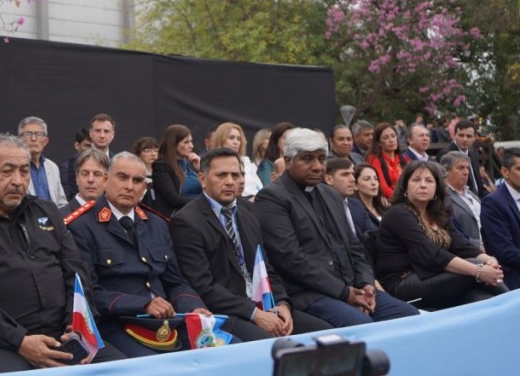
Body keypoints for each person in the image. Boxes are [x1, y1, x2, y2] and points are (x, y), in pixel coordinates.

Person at [0, 134, 124, 374]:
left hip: (63, 337)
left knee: (125, 370)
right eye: (7, 171)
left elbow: (76, 273)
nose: (18, 181)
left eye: (24, 172)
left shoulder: (46, 211)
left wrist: (74, 322)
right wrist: (19, 341)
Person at [254, 128, 418, 328]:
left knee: (410, 316)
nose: (317, 166)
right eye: (307, 159)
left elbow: (354, 245)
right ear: (288, 161)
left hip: (351, 288)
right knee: (362, 326)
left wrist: (366, 284)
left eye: (321, 159)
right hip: (310, 294)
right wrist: (344, 293)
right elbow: (290, 257)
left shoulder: (330, 194)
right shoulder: (272, 198)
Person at [169, 148, 331, 342]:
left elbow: (266, 268)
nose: (230, 181)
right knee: (276, 346)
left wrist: (282, 303)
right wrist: (255, 313)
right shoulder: (186, 221)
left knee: (325, 336)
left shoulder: (248, 212)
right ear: (202, 179)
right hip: (227, 312)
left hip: (265, 305)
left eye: (235, 175)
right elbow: (204, 286)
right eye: (221, 175)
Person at [66, 152, 218, 356]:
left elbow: (175, 281)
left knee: (221, 351)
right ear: (105, 180)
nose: (129, 186)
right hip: (117, 324)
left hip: (167, 322)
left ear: (144, 188)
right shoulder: (81, 225)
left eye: (137, 180)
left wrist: (194, 306)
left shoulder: (157, 224)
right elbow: (88, 293)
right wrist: (144, 304)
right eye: (122, 177)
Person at [375, 161, 507, 310]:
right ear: (405, 186)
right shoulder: (398, 213)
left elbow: (463, 246)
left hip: (434, 276)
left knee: (482, 299)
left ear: (437, 188)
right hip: (403, 283)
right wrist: (479, 271)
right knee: (476, 268)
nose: (423, 185)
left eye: (429, 181)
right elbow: (430, 254)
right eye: (416, 180)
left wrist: (490, 260)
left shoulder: (437, 213)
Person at [480, 147, 520, 290]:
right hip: (513, 278)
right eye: (519, 169)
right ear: (505, 172)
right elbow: (504, 252)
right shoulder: (493, 203)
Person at [152, 124, 202, 218]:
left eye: (191, 141)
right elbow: (172, 198)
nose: (191, 146)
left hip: (199, 213)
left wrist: (200, 169)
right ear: (174, 144)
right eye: (186, 142)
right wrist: (203, 203)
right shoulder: (161, 166)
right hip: (179, 216)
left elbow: (210, 189)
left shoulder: (190, 163)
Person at [18, 116, 68, 207]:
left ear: (45, 141)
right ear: (20, 140)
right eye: (28, 134)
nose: (33, 138)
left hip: (53, 220)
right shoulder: (15, 167)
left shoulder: (53, 167)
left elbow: (62, 203)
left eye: (38, 134)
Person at [325, 158, 377, 244]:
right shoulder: (322, 207)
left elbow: (373, 234)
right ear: (329, 179)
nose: (352, 179)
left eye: (352, 174)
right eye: (345, 174)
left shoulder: (356, 204)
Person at [441, 152, 484, 249]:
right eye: (460, 168)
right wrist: (478, 246)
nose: (466, 172)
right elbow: (452, 233)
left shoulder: (471, 194)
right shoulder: (443, 196)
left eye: (467, 168)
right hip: (468, 252)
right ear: (446, 171)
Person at [437, 119, 488, 199]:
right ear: (454, 135)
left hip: (479, 200)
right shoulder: (446, 154)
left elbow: (479, 185)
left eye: (469, 136)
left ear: (474, 137)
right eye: (461, 135)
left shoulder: (473, 155)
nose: (464, 139)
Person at [210, 122, 262, 199]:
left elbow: (259, 186)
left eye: (238, 139)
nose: (236, 142)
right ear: (221, 140)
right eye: (231, 138)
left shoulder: (246, 162)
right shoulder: (213, 162)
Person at [59, 148, 109, 215]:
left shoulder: (115, 216)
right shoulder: (60, 217)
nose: (90, 180)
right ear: (77, 177)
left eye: (97, 174)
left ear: (106, 179)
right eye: (85, 174)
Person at [366, 122, 408, 199]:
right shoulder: (374, 159)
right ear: (379, 143)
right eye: (385, 138)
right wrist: (402, 200)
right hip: (390, 201)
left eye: (393, 136)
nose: (391, 140)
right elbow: (383, 188)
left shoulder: (404, 159)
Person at [258, 122, 295, 186]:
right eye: (285, 138)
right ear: (276, 141)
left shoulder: (297, 163)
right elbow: (269, 187)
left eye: (292, 138)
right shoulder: (266, 165)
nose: (289, 142)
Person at [59, 128, 91, 201]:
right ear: (77, 145)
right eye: (87, 146)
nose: (91, 150)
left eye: (94, 146)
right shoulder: (65, 168)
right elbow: (67, 197)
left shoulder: (103, 165)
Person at [130, 136, 158, 209]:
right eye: (147, 150)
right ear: (138, 153)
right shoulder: (134, 174)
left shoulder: (162, 174)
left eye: (156, 150)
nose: (153, 154)